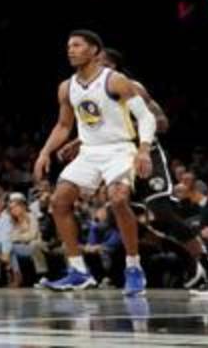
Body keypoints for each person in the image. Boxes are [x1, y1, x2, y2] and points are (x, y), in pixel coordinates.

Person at [58, 47, 208, 293]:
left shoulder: (132, 87)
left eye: (101, 61)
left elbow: (162, 123)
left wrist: (135, 130)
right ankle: (186, 258)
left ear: (113, 66)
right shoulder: (93, 93)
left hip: (146, 156)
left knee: (162, 213)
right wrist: (79, 141)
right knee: (118, 215)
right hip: (118, 157)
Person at [34, 30, 156, 296]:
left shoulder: (115, 80)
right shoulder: (67, 87)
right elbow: (64, 125)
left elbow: (146, 118)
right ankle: (78, 271)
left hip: (119, 148)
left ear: (94, 51)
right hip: (89, 152)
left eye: (77, 45)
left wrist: (143, 150)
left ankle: (134, 267)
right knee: (59, 201)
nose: (71, 50)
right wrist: (44, 152)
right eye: (68, 46)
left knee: (119, 199)